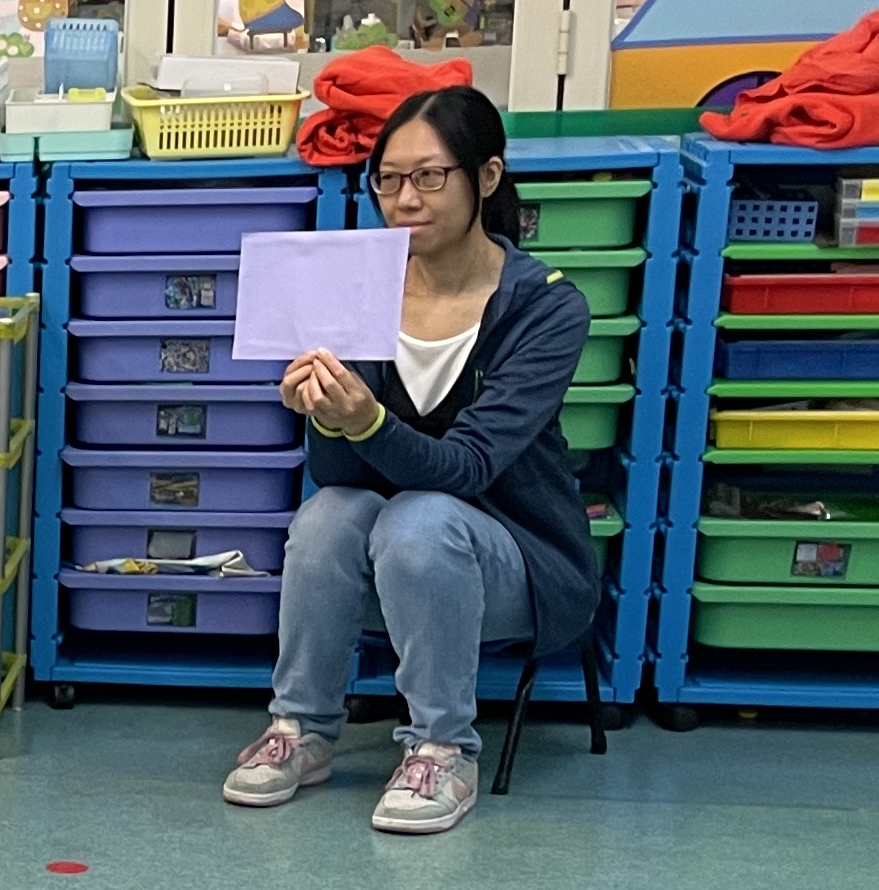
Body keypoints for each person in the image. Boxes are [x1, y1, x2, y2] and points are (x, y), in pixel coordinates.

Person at [229, 83, 601, 836]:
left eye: (430, 176)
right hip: (391, 569)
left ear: (486, 177)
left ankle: (443, 747)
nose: (405, 199)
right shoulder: (360, 288)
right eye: (389, 179)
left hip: (518, 565)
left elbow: (466, 469)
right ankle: (302, 728)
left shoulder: (546, 306)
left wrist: (365, 419)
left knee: (421, 518)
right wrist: (325, 416)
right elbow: (342, 475)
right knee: (329, 513)